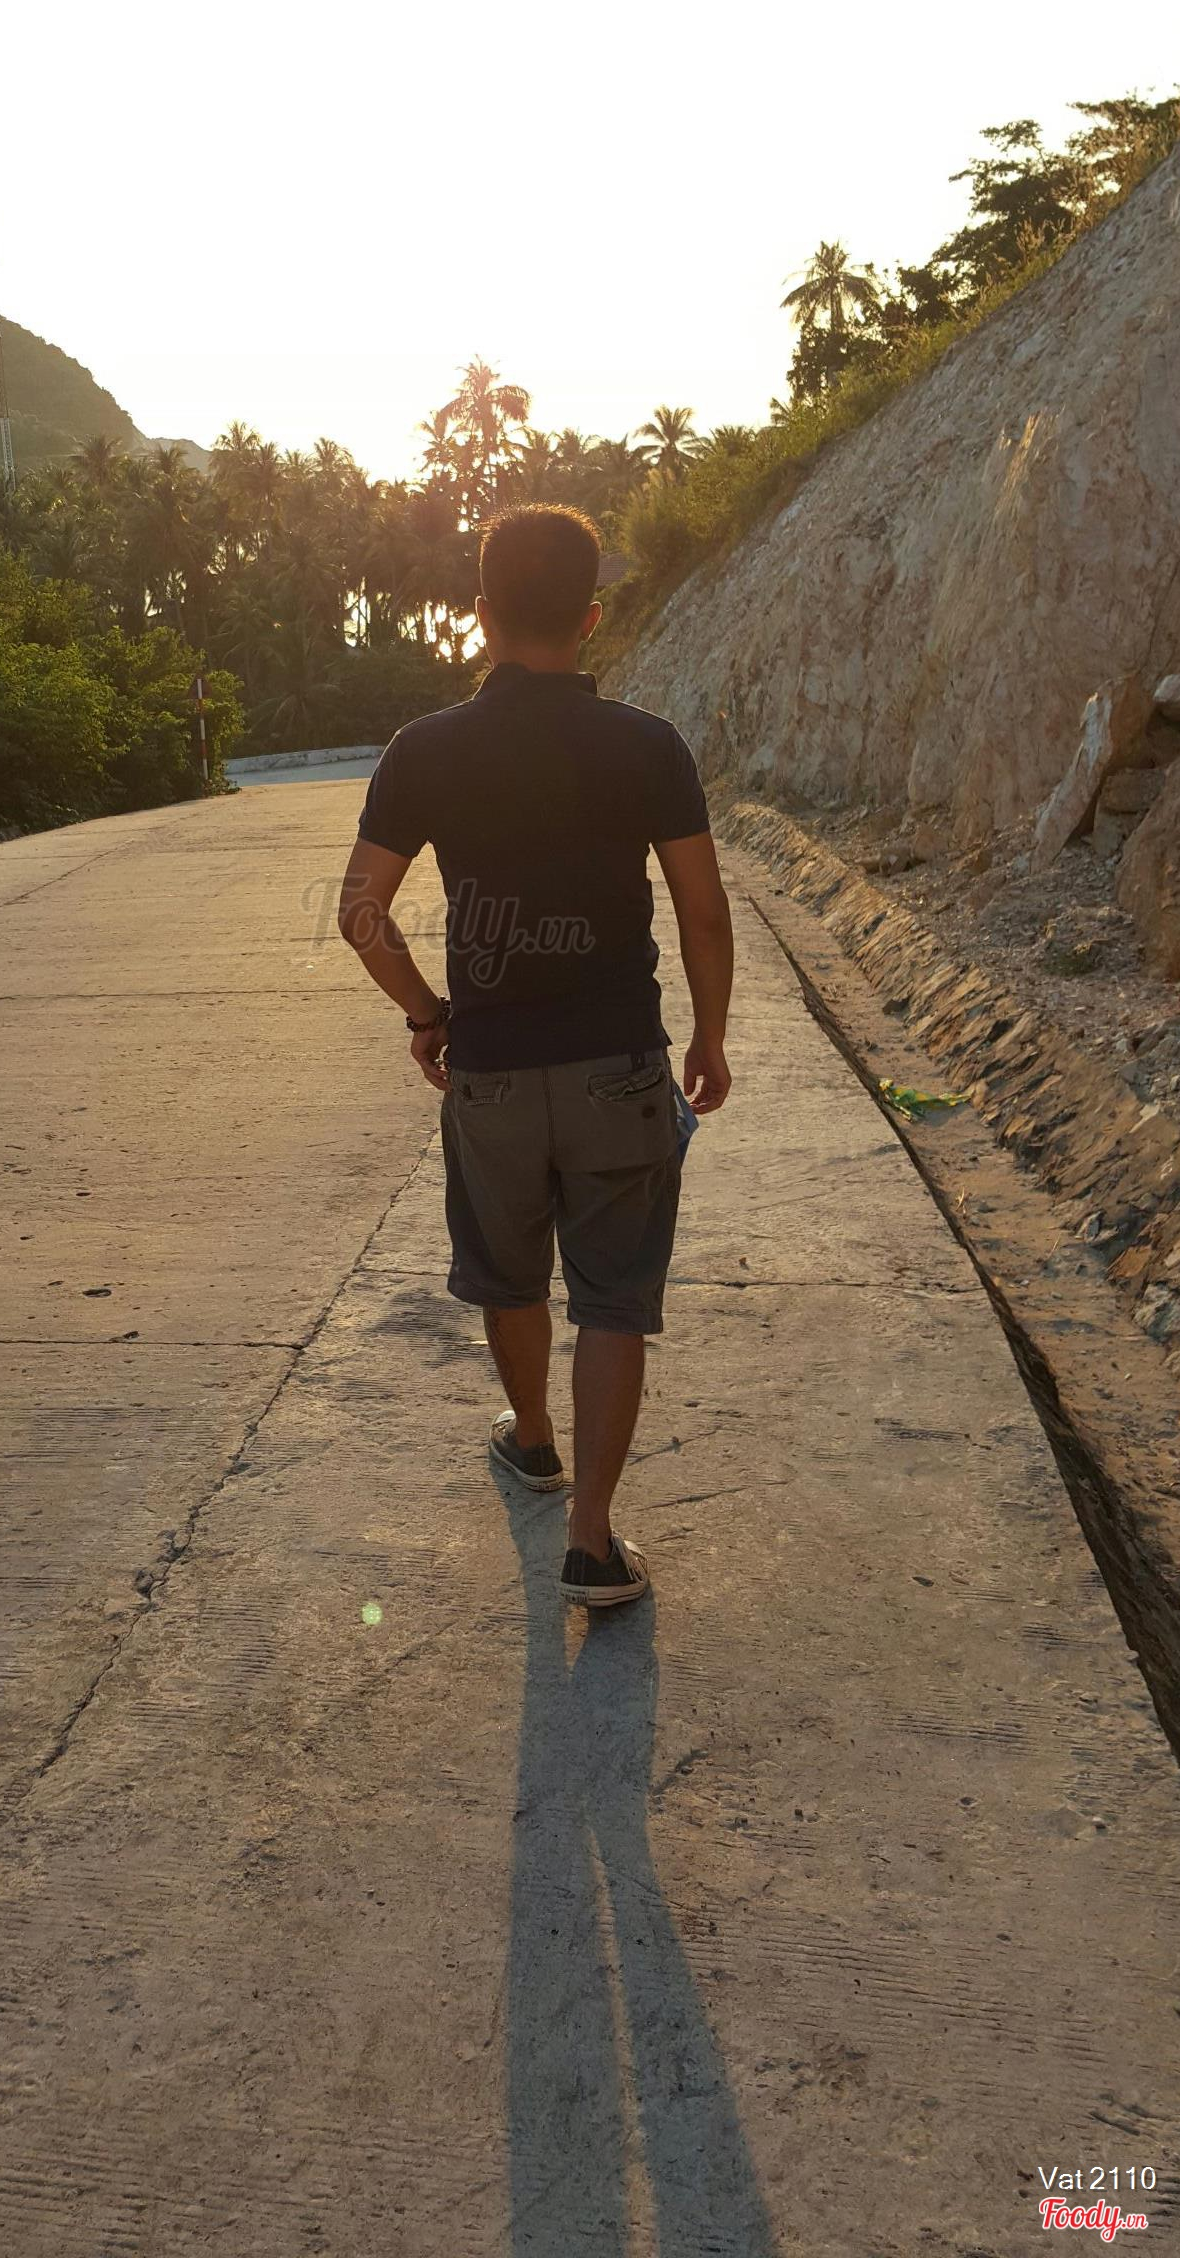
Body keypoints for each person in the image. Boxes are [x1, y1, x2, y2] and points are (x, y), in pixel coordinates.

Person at [336, 503, 733, 1606]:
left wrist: (428, 1012)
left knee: (507, 1274)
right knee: (613, 1298)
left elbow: (360, 909)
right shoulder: (648, 745)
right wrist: (709, 1033)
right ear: (592, 616)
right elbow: (703, 910)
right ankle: (592, 1543)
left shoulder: (425, 750)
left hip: (493, 1071)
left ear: (480, 615)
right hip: (620, 1065)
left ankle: (532, 1438)